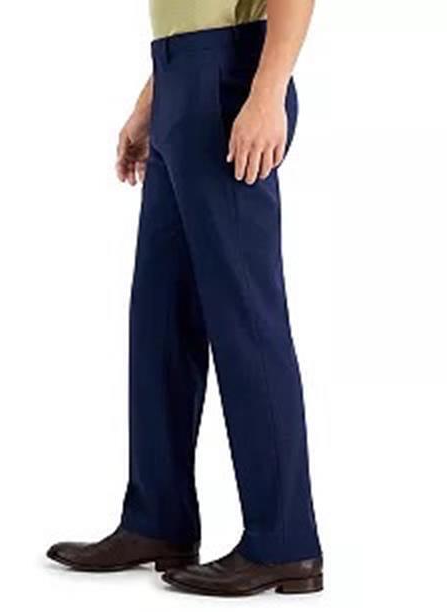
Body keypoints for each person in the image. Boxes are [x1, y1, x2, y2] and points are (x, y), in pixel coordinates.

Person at [47, 0, 323, 597]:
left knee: (247, 322)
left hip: (232, 82)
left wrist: (268, 92)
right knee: (159, 319)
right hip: (178, 78)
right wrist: (151, 101)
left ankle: (284, 543)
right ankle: (157, 520)